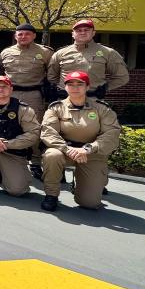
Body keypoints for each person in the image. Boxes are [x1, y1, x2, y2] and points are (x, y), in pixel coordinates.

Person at [40, 71, 121, 212]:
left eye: (80, 84)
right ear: (65, 87)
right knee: (52, 155)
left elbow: (112, 133)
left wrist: (88, 149)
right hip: (65, 150)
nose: (75, 87)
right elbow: (48, 133)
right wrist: (67, 149)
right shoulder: (56, 108)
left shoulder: (101, 108)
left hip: (91, 153)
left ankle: (80, 182)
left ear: (87, 87)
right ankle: (51, 195)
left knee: (89, 203)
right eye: (70, 84)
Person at [0, 23, 53, 178]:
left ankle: (35, 162)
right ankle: (2, 159)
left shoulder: (45, 52)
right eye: (20, 34)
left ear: (34, 36)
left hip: (33, 94)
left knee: (35, 128)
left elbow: (53, 73)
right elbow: (0, 70)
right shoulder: (6, 52)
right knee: (6, 125)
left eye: (27, 34)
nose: (23, 37)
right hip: (10, 94)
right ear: (15, 36)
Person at [48, 19, 130, 100]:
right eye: (79, 30)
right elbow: (52, 77)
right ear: (73, 34)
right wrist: (65, 87)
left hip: (93, 100)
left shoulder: (108, 52)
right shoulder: (60, 53)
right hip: (65, 101)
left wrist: (104, 88)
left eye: (86, 30)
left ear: (93, 33)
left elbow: (122, 77)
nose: (83, 32)